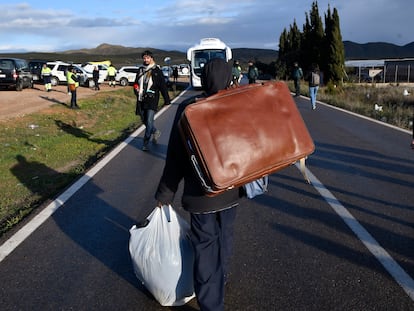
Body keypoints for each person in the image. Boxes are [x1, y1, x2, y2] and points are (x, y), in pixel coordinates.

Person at [155, 58, 243, 311]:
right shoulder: (236, 105)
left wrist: (165, 193)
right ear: (228, 78)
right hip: (230, 191)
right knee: (224, 236)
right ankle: (221, 278)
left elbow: (176, 156)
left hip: (200, 193)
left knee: (205, 244)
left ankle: (211, 302)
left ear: (204, 78)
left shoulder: (189, 108)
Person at [133, 50, 171, 151]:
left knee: (149, 121)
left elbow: (163, 86)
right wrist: (136, 89)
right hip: (141, 99)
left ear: (152, 58)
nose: (146, 60)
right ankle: (155, 131)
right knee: (144, 120)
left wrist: (167, 100)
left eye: (148, 58)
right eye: (144, 58)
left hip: (152, 99)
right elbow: (135, 83)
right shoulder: (140, 70)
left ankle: (145, 143)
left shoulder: (157, 71)